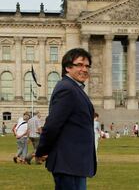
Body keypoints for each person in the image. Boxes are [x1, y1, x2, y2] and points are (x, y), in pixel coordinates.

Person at [35, 48, 97, 190]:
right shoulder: (67, 89)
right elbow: (53, 125)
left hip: (74, 163)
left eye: (87, 66)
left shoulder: (75, 89)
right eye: (80, 65)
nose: (84, 69)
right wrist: (41, 150)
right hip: (68, 163)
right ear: (68, 67)